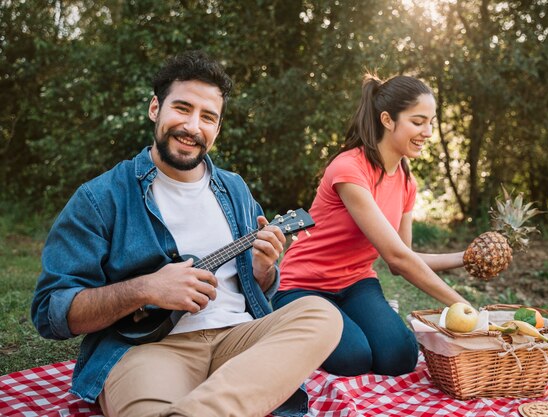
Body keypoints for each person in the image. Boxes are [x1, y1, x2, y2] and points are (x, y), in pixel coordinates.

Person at [31, 50, 342, 417]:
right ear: (155, 109)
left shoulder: (235, 189)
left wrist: (263, 269)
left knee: (321, 314)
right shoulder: (100, 198)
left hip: (237, 340)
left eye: (207, 117)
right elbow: (51, 311)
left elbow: (261, 287)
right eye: (182, 108)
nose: (193, 126)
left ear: (217, 129)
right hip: (150, 350)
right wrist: (145, 288)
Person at [272, 73, 471, 377]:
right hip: (304, 286)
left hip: (356, 284)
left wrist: (464, 258)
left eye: (431, 122)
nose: (428, 132)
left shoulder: (407, 181)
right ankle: (286, 324)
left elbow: (404, 255)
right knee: (354, 358)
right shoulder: (349, 169)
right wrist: (465, 307)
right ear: (388, 120)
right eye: (418, 122)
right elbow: (397, 259)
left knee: (400, 357)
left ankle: (358, 321)